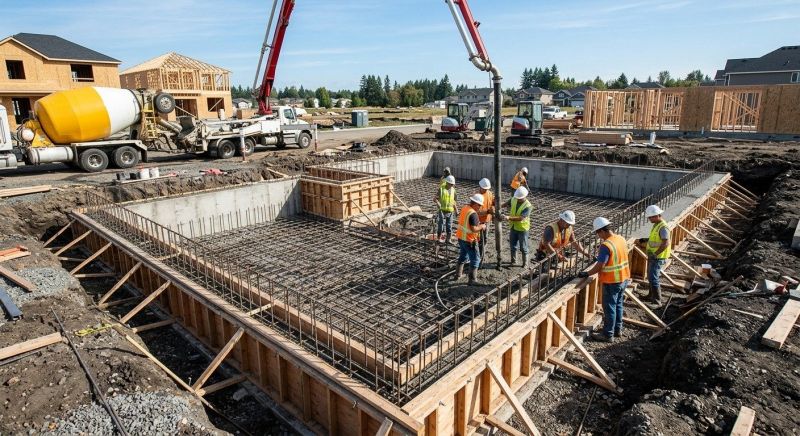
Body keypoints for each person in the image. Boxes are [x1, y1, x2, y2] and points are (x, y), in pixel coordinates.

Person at [578, 217, 630, 343]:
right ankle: (617, 329)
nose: (598, 236)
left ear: (602, 231)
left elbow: (600, 265)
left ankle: (608, 335)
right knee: (618, 304)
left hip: (612, 281)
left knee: (609, 307)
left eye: (598, 233)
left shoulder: (606, 245)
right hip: (624, 278)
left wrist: (587, 273)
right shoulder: (620, 238)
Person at [638, 205, 670, 307]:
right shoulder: (657, 224)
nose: (649, 219)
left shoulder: (663, 227)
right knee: (651, 276)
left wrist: (655, 254)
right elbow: (656, 239)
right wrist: (646, 240)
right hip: (654, 256)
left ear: (657, 215)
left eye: (650, 217)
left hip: (658, 257)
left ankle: (657, 302)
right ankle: (651, 296)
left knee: (653, 278)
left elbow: (666, 243)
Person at [455, 194, 487, 284]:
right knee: (476, 259)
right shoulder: (473, 214)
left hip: (461, 238)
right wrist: (482, 226)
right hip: (470, 241)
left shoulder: (465, 208)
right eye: (479, 205)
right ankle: (472, 280)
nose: (480, 207)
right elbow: (474, 229)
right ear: (475, 203)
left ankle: (458, 275)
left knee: (463, 256)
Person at [503, 186, 532, 267]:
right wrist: (498, 207)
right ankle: (513, 261)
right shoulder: (514, 199)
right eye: (517, 198)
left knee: (523, 247)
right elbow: (505, 204)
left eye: (520, 198)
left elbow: (521, 218)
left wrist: (508, 217)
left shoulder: (528, 206)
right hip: (513, 227)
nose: (518, 199)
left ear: (525, 196)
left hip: (523, 229)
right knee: (513, 245)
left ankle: (525, 263)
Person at [475, 178, 495, 262]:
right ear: (480, 187)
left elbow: (493, 204)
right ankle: (478, 255)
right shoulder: (477, 196)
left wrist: (493, 211)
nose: (486, 190)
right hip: (478, 221)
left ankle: (482, 255)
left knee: (485, 238)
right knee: (478, 240)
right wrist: (487, 211)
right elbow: (476, 212)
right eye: (484, 188)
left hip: (487, 220)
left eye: (487, 189)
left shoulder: (490, 193)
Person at [434, 175, 456, 243]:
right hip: (442, 210)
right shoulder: (441, 189)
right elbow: (435, 199)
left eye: (452, 184)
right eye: (450, 184)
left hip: (450, 211)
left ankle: (448, 239)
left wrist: (456, 210)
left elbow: (454, 201)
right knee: (441, 226)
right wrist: (438, 202)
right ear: (447, 182)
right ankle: (438, 239)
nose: (451, 185)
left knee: (449, 226)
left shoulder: (453, 190)